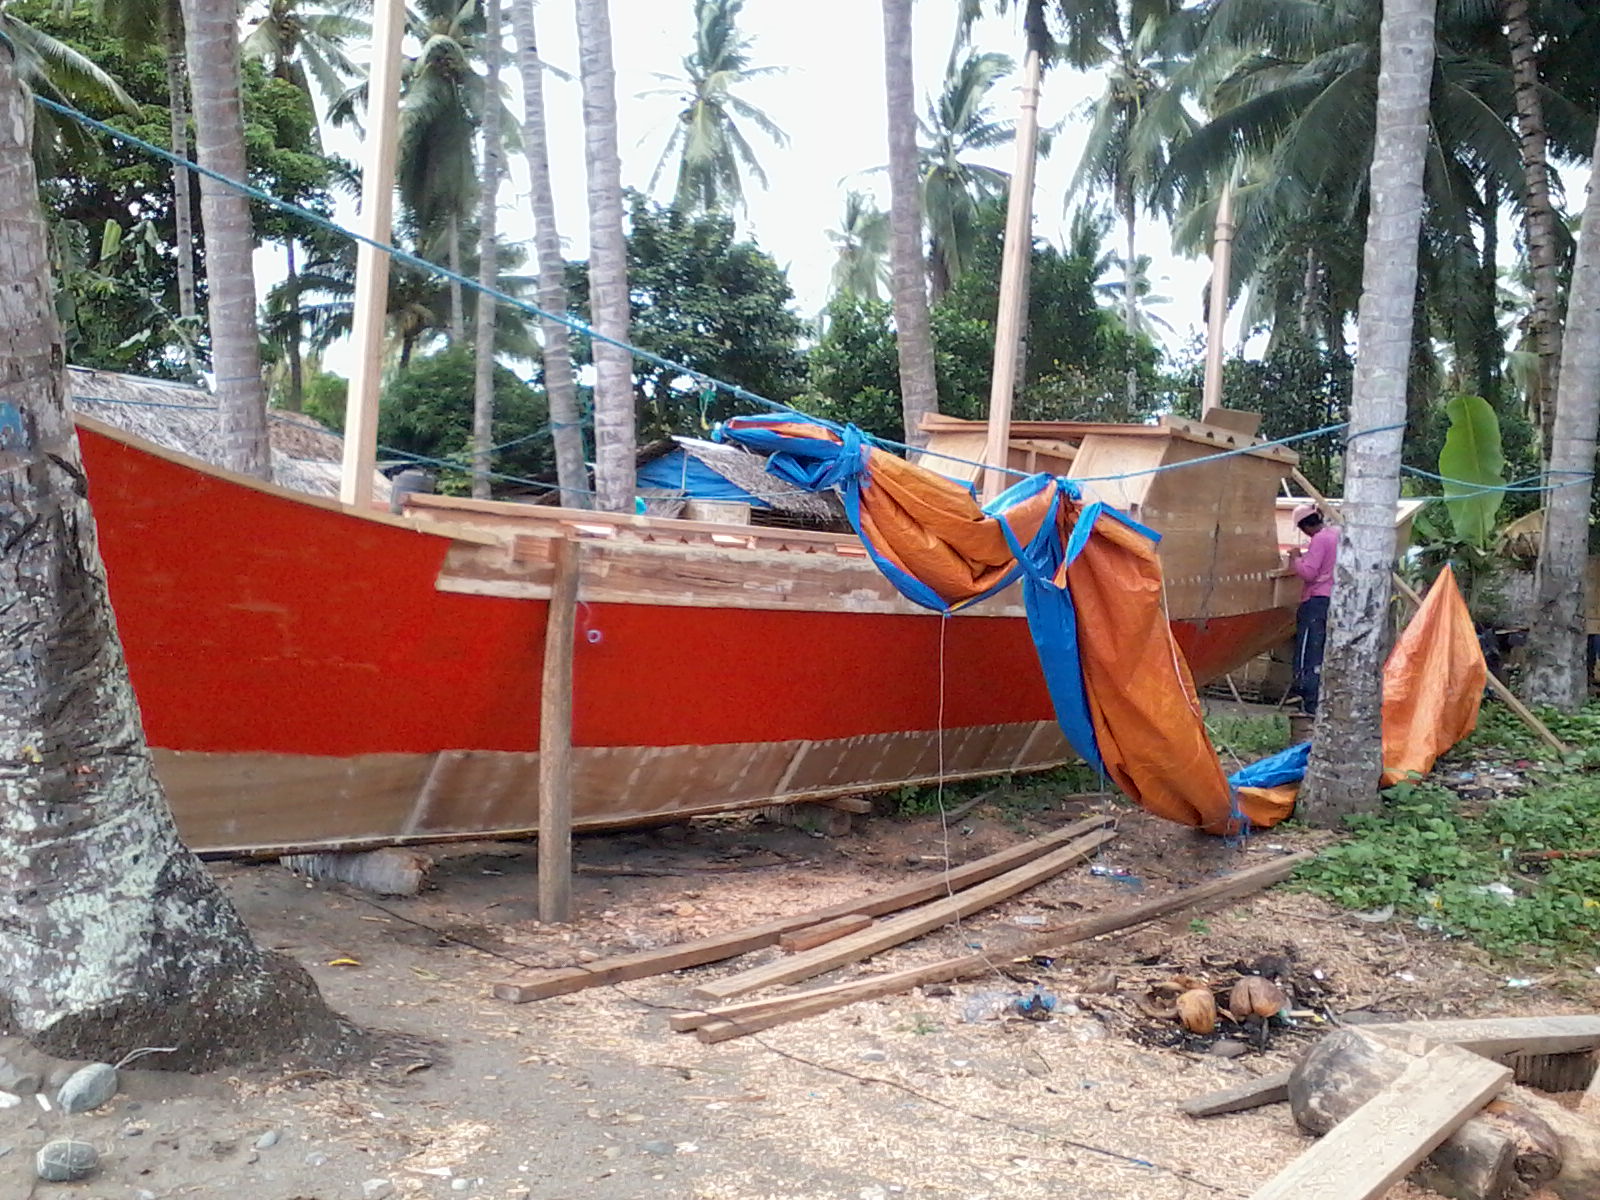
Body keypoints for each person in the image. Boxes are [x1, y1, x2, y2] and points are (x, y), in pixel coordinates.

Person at [1287, 503, 1337, 715]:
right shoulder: (1337, 535)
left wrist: (1295, 558)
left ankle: (1308, 699)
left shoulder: (1320, 539)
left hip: (1316, 601)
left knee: (1309, 650)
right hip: (1333, 599)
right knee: (1321, 650)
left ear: (1304, 527)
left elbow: (1309, 573)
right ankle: (1317, 699)